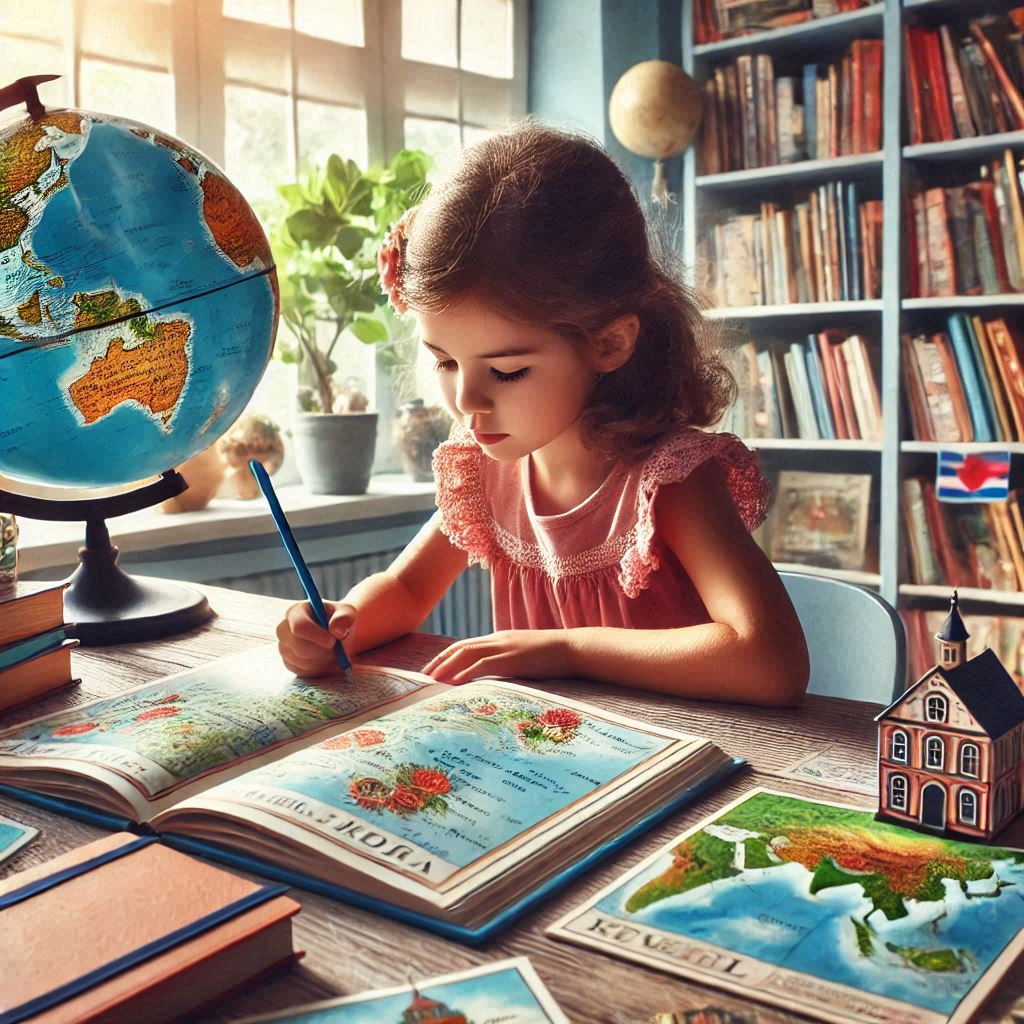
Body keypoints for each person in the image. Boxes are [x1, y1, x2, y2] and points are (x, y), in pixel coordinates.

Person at [277, 120, 809, 707]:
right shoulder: (486, 470)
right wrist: (339, 625)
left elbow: (771, 662)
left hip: (679, 764)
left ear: (609, 343)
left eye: (506, 371)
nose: (468, 402)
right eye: (446, 362)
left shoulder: (667, 482)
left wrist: (567, 649)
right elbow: (405, 588)